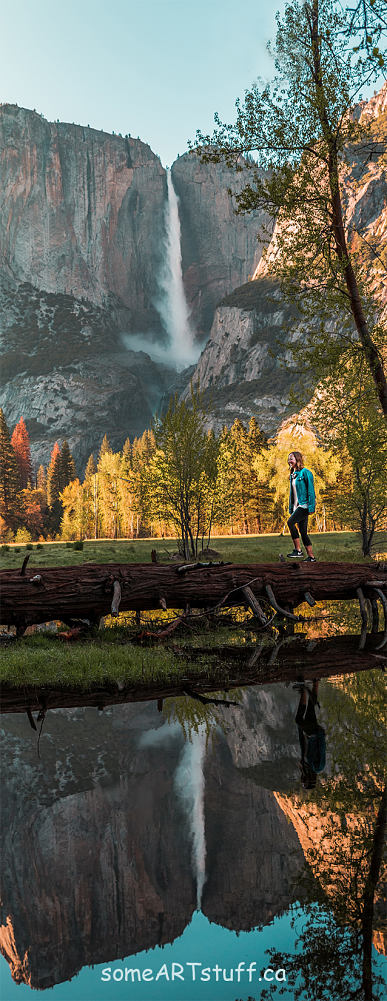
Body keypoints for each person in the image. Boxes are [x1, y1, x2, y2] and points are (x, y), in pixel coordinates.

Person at [293, 680, 326, 789]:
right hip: (314, 734)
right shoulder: (318, 767)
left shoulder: (305, 767)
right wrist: (320, 734)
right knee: (299, 719)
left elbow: (304, 748)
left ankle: (312, 684)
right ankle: (305, 688)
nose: (302, 780)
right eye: (304, 782)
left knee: (310, 709)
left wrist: (302, 735)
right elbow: (322, 749)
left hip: (306, 735)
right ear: (310, 780)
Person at [287, 451, 316, 561]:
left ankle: (298, 551)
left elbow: (311, 490)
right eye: (289, 459)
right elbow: (292, 493)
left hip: (304, 505)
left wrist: (311, 506)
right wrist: (291, 508)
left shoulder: (305, 472)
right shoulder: (293, 475)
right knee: (303, 532)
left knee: (290, 522)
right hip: (296, 506)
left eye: (292, 458)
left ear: (297, 459)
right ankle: (311, 557)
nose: (289, 461)